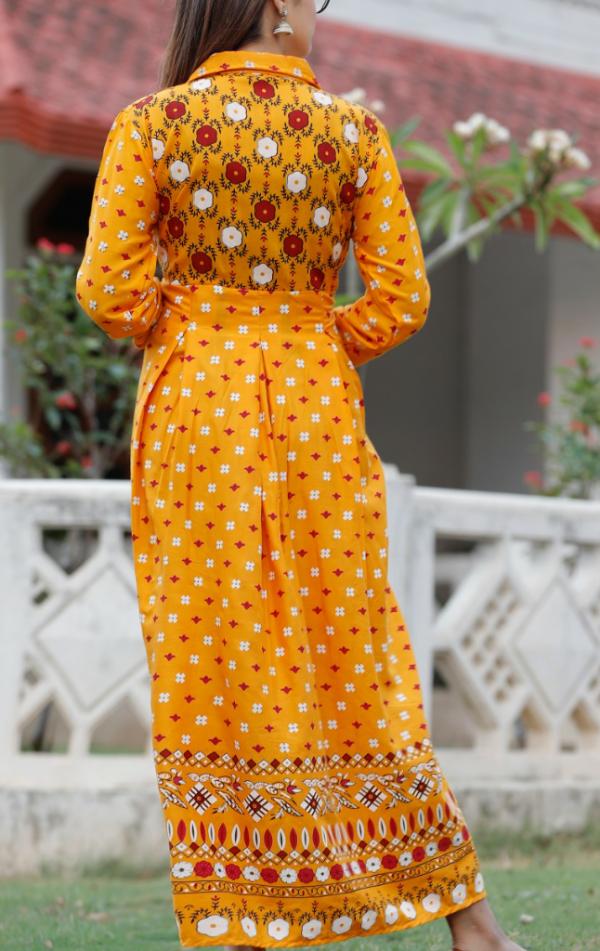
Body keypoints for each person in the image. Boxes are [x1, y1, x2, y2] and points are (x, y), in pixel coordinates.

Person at [75, 1, 527, 949]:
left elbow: (109, 289)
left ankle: (243, 917)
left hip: (198, 416)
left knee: (214, 657)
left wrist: (197, 329)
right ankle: (474, 926)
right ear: (276, 5)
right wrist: (312, 340)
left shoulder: (151, 126)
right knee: (358, 656)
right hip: (316, 412)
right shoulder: (352, 133)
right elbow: (400, 298)